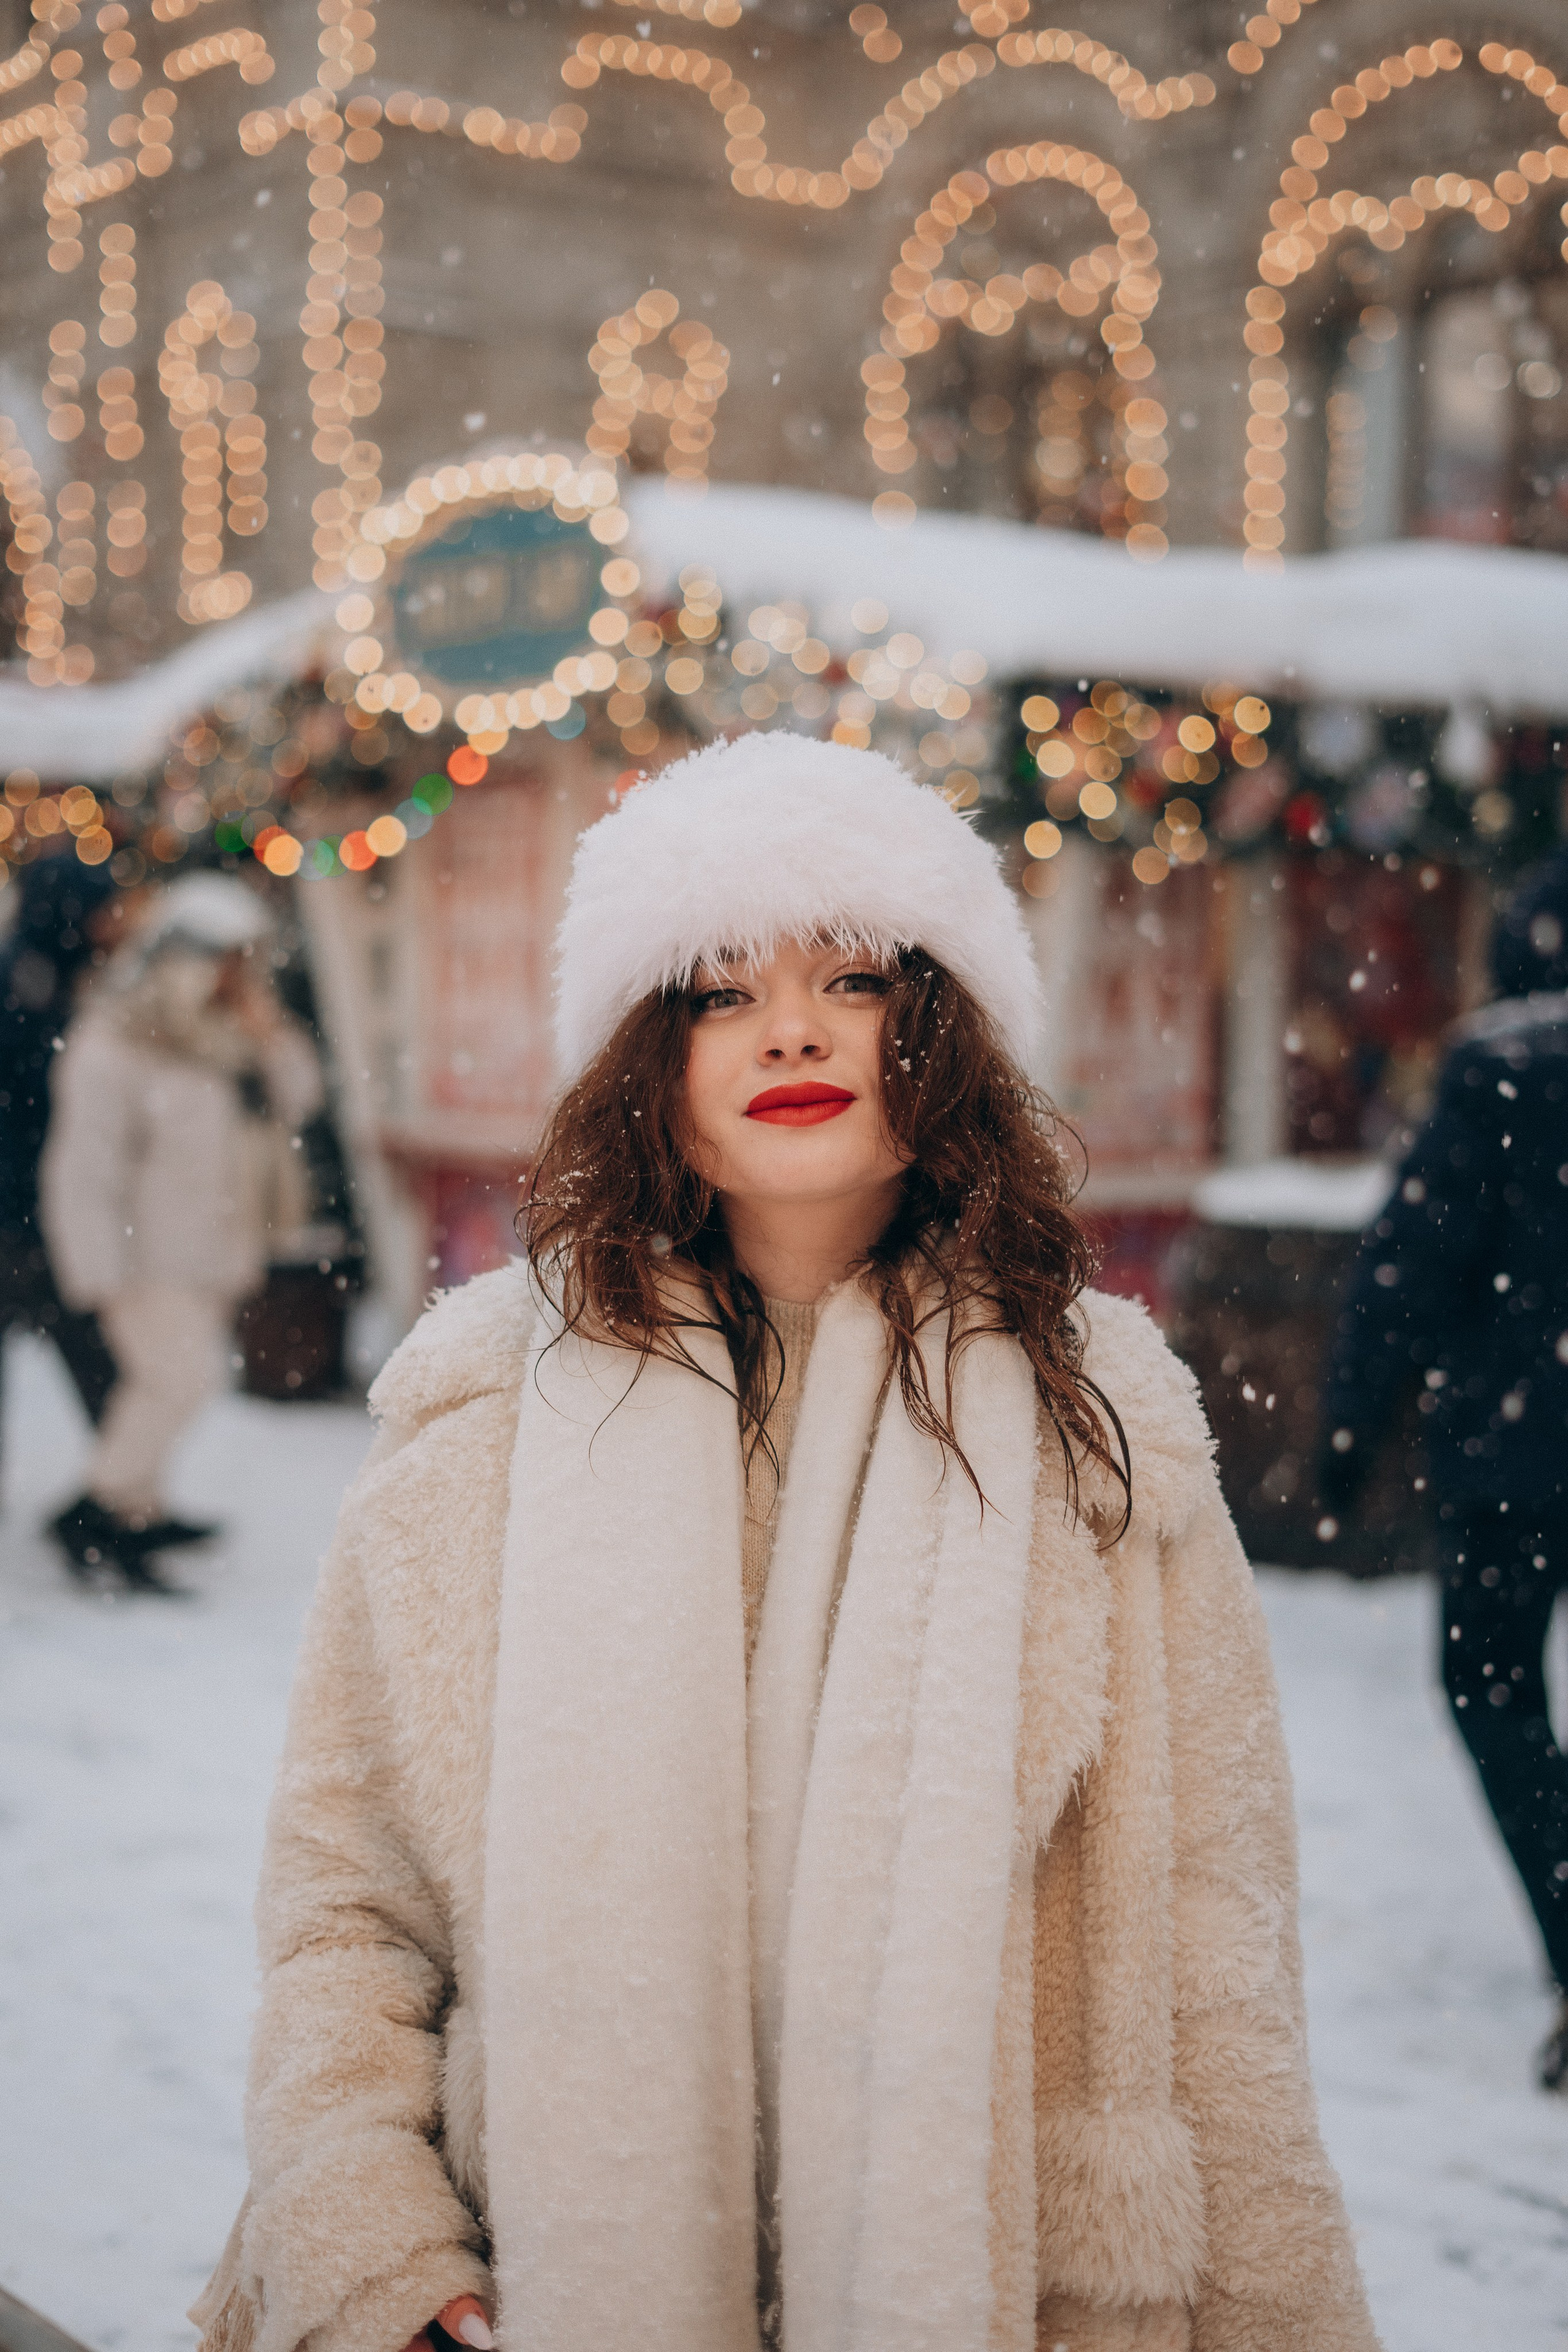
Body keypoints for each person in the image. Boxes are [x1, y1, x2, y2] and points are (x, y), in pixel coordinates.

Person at [195, 739, 1379, 2352]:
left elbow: (1219, 1956)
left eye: (856, 978)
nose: (796, 1029)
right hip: (540, 2287)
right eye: (718, 992)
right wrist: (381, 2256)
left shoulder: (1098, 1427)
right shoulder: (478, 1425)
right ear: (649, 1059)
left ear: (938, 1026)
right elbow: (348, 1915)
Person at [1319, 841, 1568, 2093]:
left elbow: (1404, 1266)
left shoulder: (1498, 1069)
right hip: (1515, 1439)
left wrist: (1347, 1434)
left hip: (1514, 1457)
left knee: (1490, 1690)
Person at [40, 872, 323, 1592]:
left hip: (216, 1248)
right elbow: (84, 1165)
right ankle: (93, 1510)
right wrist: (94, 1267)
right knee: (180, 1383)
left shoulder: (230, 1038)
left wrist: (270, 1034)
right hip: (144, 1255)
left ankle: (137, 1512)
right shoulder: (115, 1041)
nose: (230, 978)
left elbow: (300, 1100)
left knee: (159, 1386)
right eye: (219, 960)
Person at [0, 852, 126, 1498]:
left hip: (38, 1209)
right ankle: (115, 1505)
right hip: (26, 1215)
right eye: (99, 908)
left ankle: (120, 1497)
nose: (111, 922)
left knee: (100, 1364)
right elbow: (33, 1108)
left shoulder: (58, 973)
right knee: (97, 1359)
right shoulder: (28, 982)